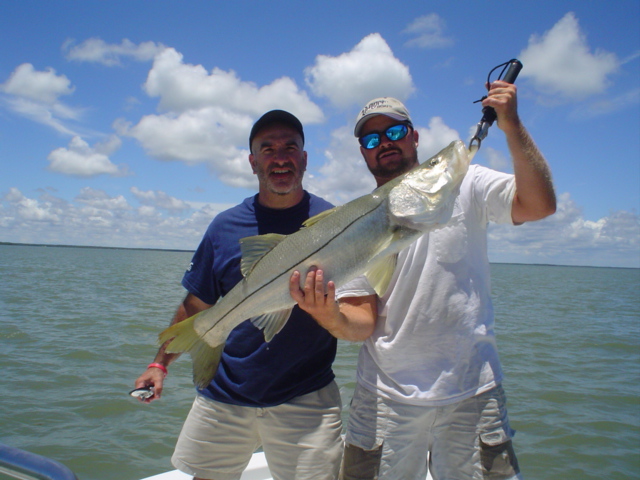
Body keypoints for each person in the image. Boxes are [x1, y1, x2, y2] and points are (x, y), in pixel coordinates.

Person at [290, 85, 556, 479]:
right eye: (372, 138)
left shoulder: (466, 183)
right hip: (384, 397)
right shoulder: (352, 228)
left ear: (414, 137)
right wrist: (329, 316)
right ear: (363, 151)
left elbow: (539, 205)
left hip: (473, 391)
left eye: (395, 132)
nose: (385, 143)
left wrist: (512, 126)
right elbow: (362, 322)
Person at [134, 110, 344, 480]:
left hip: (306, 396)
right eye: (268, 149)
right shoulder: (224, 227)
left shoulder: (335, 222)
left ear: (305, 158)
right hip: (226, 394)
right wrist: (159, 364)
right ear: (252, 162)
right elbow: (195, 306)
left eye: (290, 147)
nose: (280, 157)